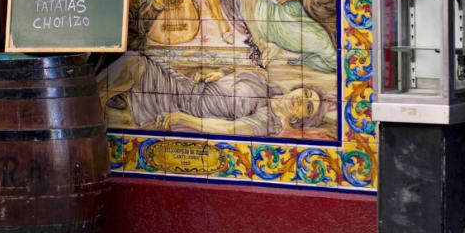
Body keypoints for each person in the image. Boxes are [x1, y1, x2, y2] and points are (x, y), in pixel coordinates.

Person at [105, 55, 328, 137]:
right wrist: (218, 74)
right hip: (188, 87)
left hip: (185, 105)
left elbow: (226, 129)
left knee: (134, 63)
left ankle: (87, 104)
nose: (301, 100)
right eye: (306, 94)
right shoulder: (266, 84)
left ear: (299, 118)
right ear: (298, 88)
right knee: (135, 62)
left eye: (308, 107)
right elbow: (236, 79)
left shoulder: (264, 121)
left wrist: (183, 118)